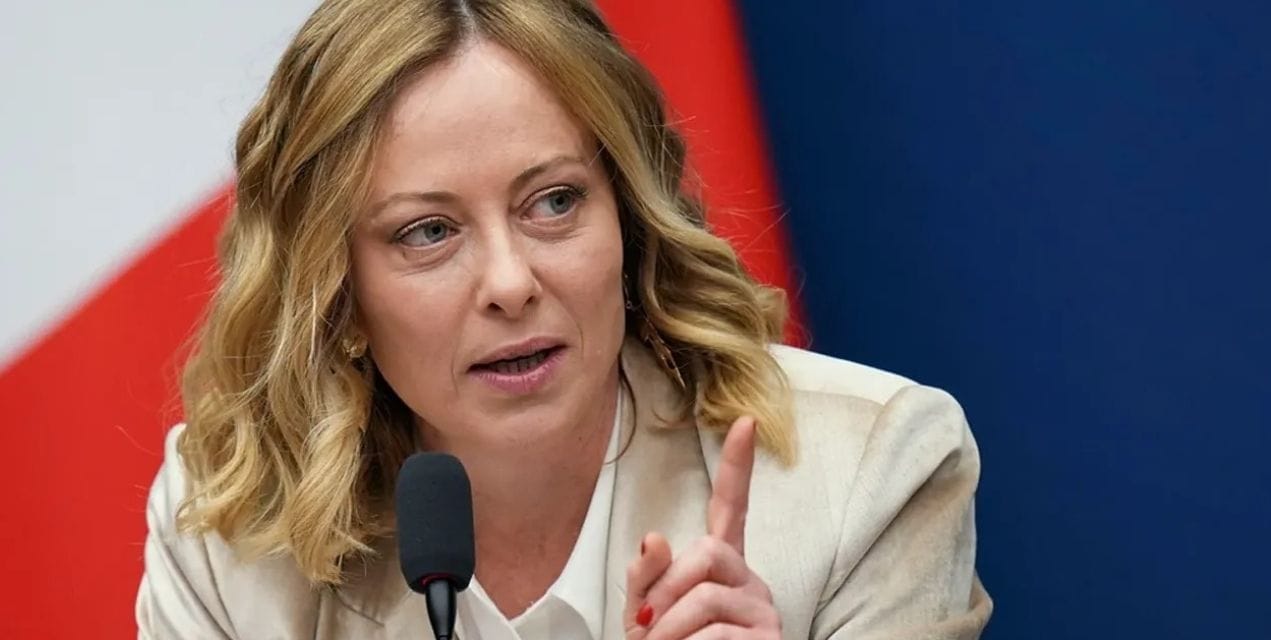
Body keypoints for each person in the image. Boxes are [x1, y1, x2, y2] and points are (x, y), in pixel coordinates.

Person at [135, 0, 992, 638]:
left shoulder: (869, 477)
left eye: (553, 202)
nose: (511, 283)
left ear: (627, 218)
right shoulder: (228, 531)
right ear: (338, 296)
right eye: (428, 232)